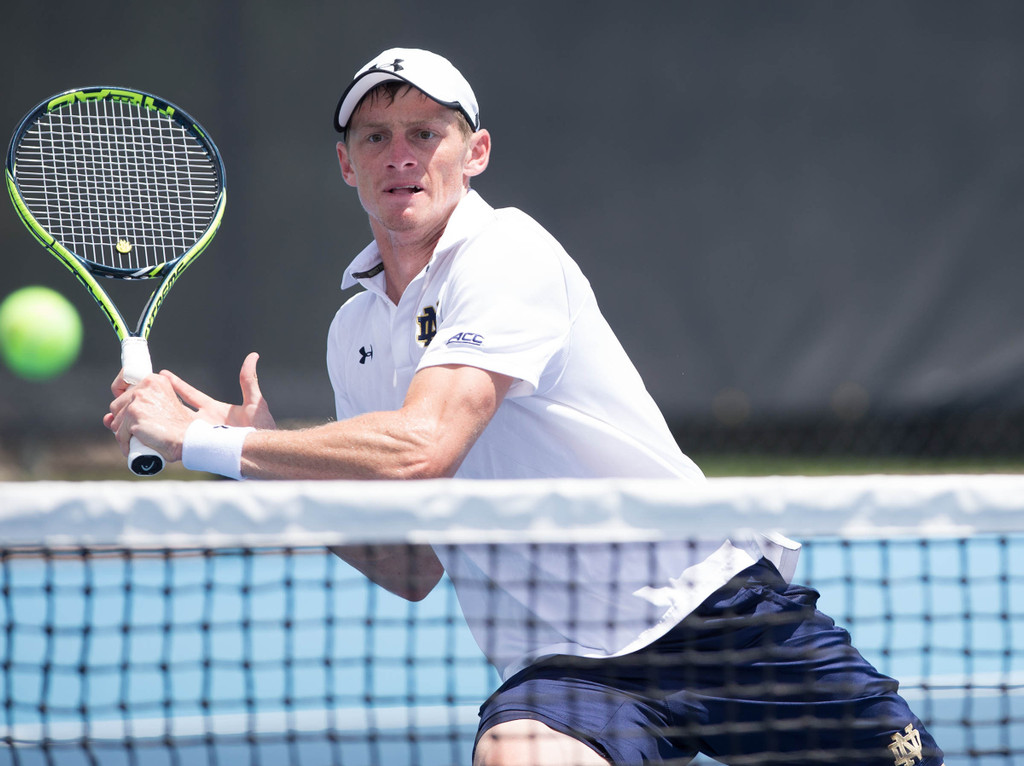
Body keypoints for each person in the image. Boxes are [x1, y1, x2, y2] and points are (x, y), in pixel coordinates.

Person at [106, 48, 945, 766]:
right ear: (346, 163)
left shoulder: (507, 251)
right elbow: (412, 567)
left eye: (425, 133)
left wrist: (207, 441)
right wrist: (265, 461)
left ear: (474, 153)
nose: (400, 154)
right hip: (566, 669)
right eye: (375, 136)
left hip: (712, 611)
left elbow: (423, 445)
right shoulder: (354, 332)